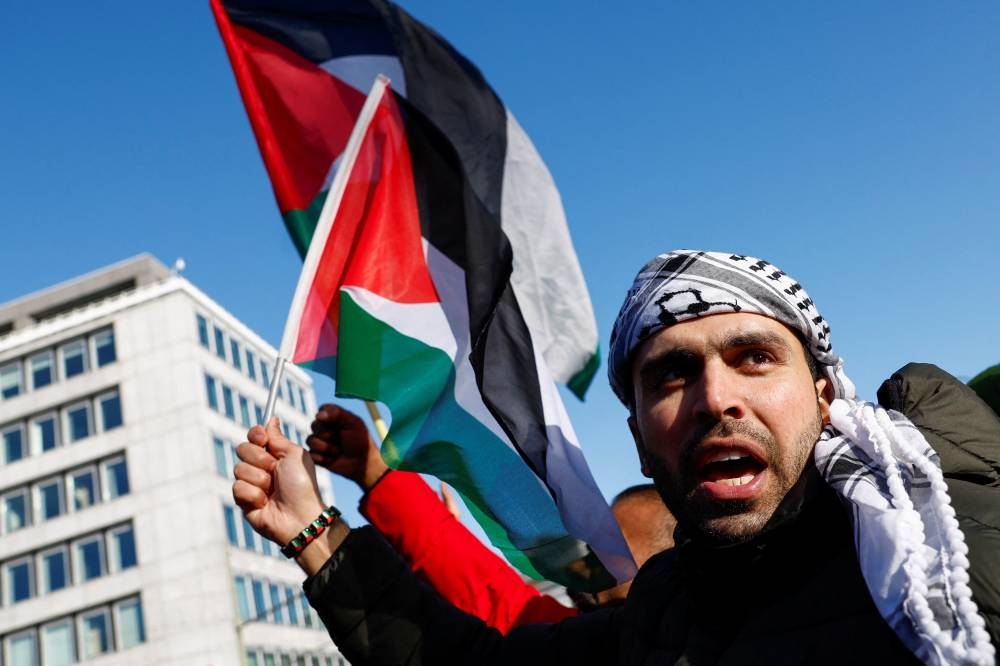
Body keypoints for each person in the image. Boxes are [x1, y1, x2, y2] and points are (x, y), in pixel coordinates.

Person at [233, 250, 1000, 665]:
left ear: (827, 395)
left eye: (755, 357)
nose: (715, 398)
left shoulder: (966, 539)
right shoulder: (664, 619)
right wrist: (313, 530)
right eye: (671, 374)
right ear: (637, 434)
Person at [306, 404, 674, 629]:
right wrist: (374, 470)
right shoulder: (575, 645)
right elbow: (486, 593)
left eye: (616, 546)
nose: (591, 556)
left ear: (672, 567)